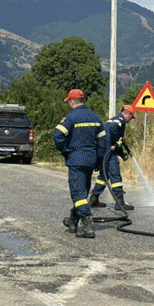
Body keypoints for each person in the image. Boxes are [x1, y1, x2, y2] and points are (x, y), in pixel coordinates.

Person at [54, 89, 106, 238]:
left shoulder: (70, 118)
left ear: (71, 102)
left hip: (76, 159)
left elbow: (58, 135)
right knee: (83, 192)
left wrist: (64, 150)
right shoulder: (96, 118)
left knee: (78, 194)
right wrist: (98, 160)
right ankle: (73, 220)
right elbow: (102, 143)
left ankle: (87, 226)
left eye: (68, 102)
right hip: (91, 160)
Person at [89, 104, 136, 211]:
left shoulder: (112, 120)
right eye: (131, 117)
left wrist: (121, 152)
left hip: (102, 149)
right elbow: (114, 137)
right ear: (127, 114)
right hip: (108, 151)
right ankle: (119, 202)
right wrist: (116, 143)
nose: (131, 119)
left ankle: (93, 199)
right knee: (115, 174)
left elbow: (114, 140)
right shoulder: (120, 120)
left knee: (104, 175)